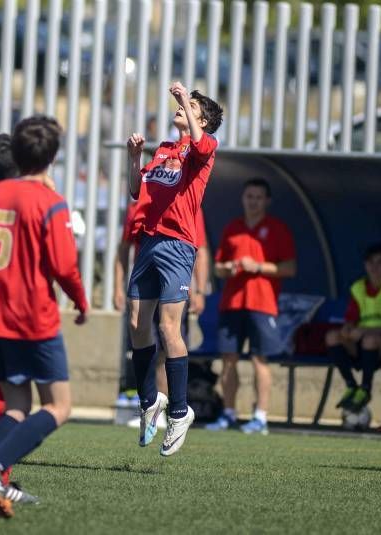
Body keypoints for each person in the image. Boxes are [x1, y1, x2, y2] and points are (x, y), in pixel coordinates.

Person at [0, 115, 89, 517]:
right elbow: (65, 267)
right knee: (58, 407)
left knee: (13, 407)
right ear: (51, 156)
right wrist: (81, 302)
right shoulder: (49, 201)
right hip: (32, 316)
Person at [125, 81, 223, 457]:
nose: (182, 107)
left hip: (178, 245)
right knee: (137, 322)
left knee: (168, 327)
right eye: (184, 102)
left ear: (202, 119)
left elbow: (199, 145)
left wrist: (185, 95)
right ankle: (150, 400)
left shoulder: (205, 148)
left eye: (191, 106)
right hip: (149, 240)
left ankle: (180, 411)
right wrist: (134, 157)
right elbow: (137, 190)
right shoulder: (165, 149)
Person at [207, 178, 296, 435]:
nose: (253, 201)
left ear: (266, 201)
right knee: (228, 361)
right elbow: (218, 267)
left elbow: (289, 268)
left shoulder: (278, 229)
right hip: (232, 303)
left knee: (260, 359)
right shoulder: (232, 228)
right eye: (249, 196)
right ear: (243, 199)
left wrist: (258, 267)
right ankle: (228, 414)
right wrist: (230, 268)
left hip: (262, 304)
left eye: (258, 197)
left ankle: (260, 418)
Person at [113, 201, 210, 412]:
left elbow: (200, 249)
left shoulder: (190, 203)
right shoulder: (136, 206)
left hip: (173, 286)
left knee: (169, 342)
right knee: (145, 345)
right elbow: (124, 248)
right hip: (144, 287)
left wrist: (199, 290)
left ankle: (170, 409)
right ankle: (149, 403)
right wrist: (117, 288)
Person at [325, 243, 381, 424]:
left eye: (379, 262)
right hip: (361, 342)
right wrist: (348, 329)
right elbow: (351, 317)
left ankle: (366, 388)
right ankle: (351, 386)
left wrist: (364, 331)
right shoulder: (358, 288)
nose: (374, 267)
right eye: (370, 262)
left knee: (370, 340)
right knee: (332, 337)